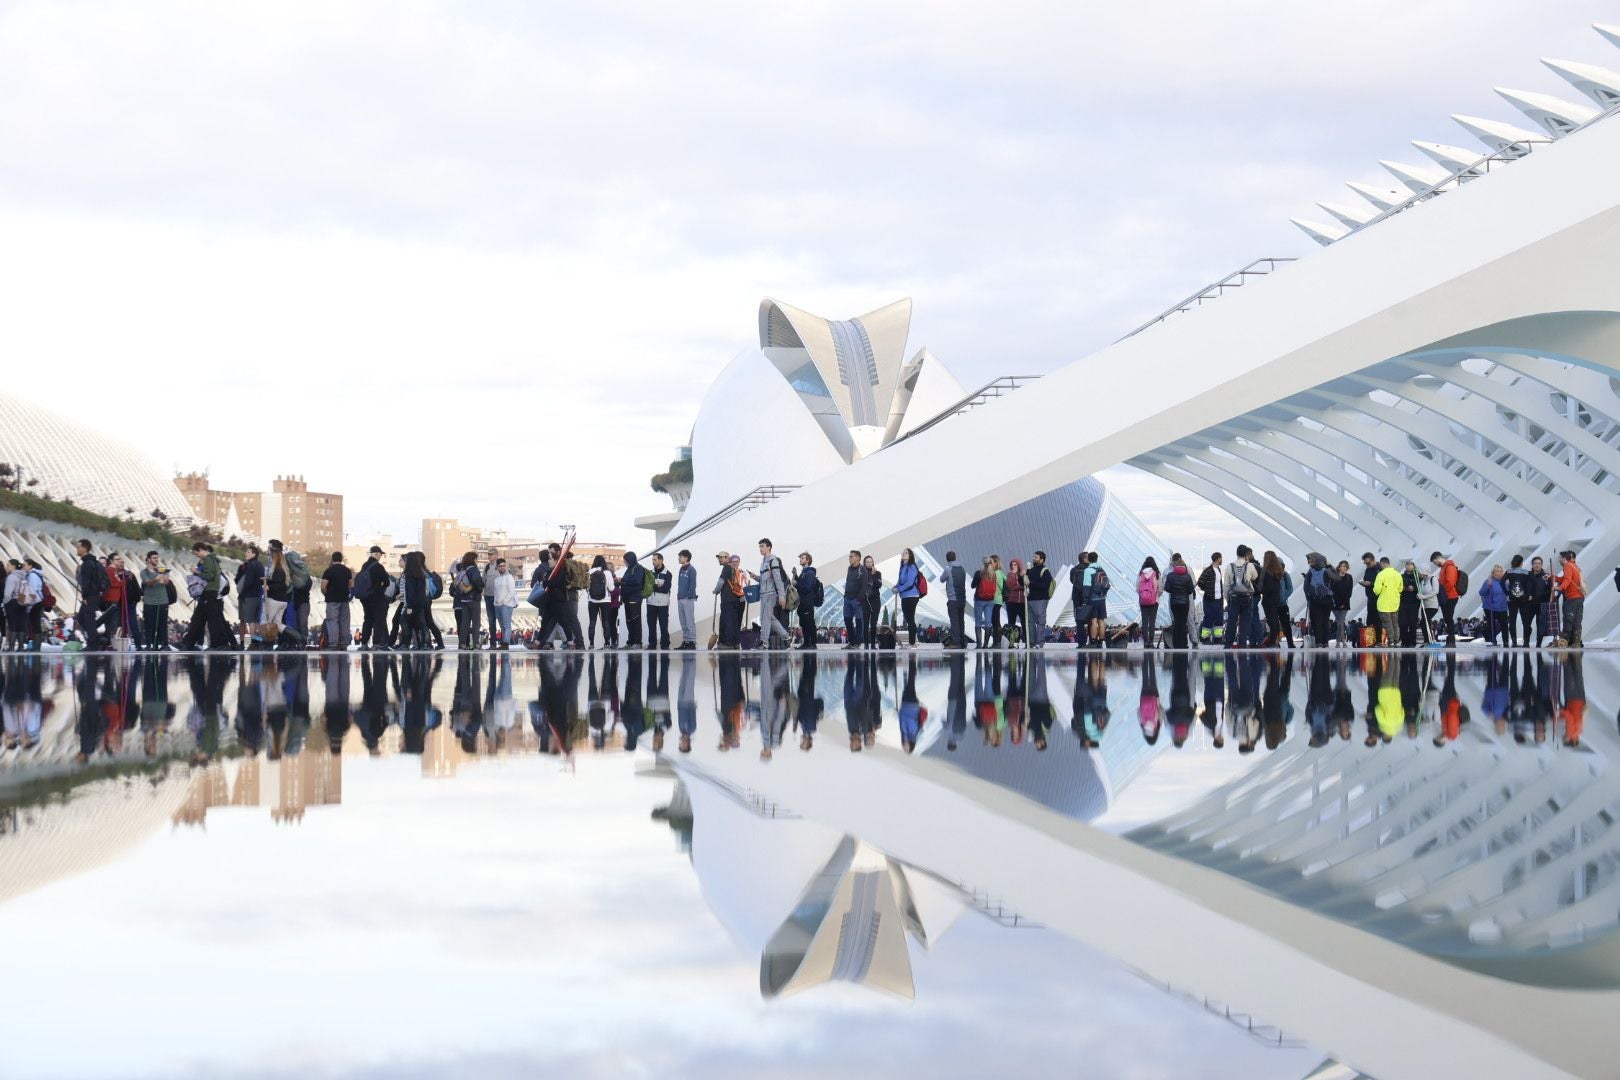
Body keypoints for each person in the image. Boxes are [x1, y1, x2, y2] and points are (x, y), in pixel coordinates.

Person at [74, 539, 109, 650]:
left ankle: (93, 643)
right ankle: (96, 639)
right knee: (82, 618)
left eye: (79, 547)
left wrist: (84, 596)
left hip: (90, 595)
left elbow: (87, 581)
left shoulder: (87, 563)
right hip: (93, 594)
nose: (77, 549)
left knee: (88, 619)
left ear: (84, 548)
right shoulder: (93, 562)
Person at [355, 545, 393, 650]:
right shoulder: (378, 567)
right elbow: (387, 582)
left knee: (367, 619)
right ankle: (376, 644)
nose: (381, 557)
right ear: (376, 554)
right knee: (378, 620)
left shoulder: (364, 566)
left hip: (365, 598)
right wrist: (381, 584)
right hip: (376, 597)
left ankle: (364, 644)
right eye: (380, 554)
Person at [756, 539, 791, 650]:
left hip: (770, 594)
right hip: (763, 594)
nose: (760, 549)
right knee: (769, 618)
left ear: (769, 547)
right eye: (760, 546)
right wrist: (756, 577)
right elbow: (764, 579)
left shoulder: (773, 561)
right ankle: (786, 637)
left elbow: (778, 579)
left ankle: (764, 642)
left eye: (762, 546)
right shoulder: (764, 562)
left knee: (765, 618)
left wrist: (781, 596)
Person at [1223, 546, 1258, 649]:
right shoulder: (1250, 565)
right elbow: (1255, 576)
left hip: (1234, 598)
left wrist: (1227, 599)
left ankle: (1228, 644)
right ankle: (1242, 644)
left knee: (1231, 621)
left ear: (1237, 553)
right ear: (1246, 554)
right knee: (1244, 622)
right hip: (1247, 598)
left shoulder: (1229, 566)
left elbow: (1226, 586)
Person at [138, 551, 172, 652]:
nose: (156, 560)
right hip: (149, 601)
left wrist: (161, 577)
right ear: (148, 559)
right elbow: (148, 583)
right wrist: (157, 579)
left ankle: (164, 645)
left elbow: (166, 581)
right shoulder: (144, 572)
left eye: (157, 558)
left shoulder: (162, 569)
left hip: (162, 600)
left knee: (163, 624)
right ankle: (149, 644)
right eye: (154, 558)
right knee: (149, 624)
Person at [1161, 553, 1195, 649]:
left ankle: (1176, 643)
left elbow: (1166, 588)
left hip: (1174, 602)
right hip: (1185, 602)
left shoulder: (1170, 575)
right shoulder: (1187, 575)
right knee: (1183, 623)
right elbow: (1190, 589)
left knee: (1176, 622)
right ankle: (1184, 644)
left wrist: (1174, 590)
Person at [397, 551, 430, 649]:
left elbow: (411, 592)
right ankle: (424, 644)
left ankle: (405, 644)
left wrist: (409, 606)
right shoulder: (421, 575)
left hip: (412, 604)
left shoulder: (409, 575)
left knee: (404, 621)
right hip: (420, 603)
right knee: (420, 623)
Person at [1301, 554, 1336, 647]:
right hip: (1326, 599)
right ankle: (1325, 642)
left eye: (1310, 561)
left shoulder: (1311, 571)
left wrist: (1310, 595)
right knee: (1324, 621)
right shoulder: (1327, 570)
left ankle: (1319, 642)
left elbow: (1306, 587)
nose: (1309, 563)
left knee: (1318, 621)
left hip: (1316, 600)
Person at [320, 552, 353, 650]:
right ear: (341, 559)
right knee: (344, 621)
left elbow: (323, 586)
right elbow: (350, 584)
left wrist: (326, 594)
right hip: (344, 599)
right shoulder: (347, 571)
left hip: (332, 600)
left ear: (332, 559)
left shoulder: (329, 571)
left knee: (332, 621)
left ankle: (333, 643)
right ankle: (344, 643)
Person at [452, 552, 484, 650]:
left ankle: (462, 644)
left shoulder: (463, 570)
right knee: (476, 623)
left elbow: (456, 586)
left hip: (464, 600)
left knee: (464, 623)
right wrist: (479, 589)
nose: (477, 561)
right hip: (473, 599)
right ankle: (475, 644)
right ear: (473, 559)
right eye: (476, 559)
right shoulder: (473, 570)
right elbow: (477, 582)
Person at [235, 544, 266, 645]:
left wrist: (242, 589)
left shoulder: (248, 565)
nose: (246, 553)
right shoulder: (261, 565)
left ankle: (245, 642)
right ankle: (257, 641)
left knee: (245, 620)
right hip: (257, 595)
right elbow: (262, 581)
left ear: (254, 554)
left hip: (247, 596)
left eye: (248, 552)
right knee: (255, 620)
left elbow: (245, 581)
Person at [937, 550, 967, 648]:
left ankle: (955, 643)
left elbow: (941, 580)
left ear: (947, 559)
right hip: (962, 599)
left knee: (954, 621)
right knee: (961, 620)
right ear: (955, 557)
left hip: (953, 599)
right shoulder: (962, 569)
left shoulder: (948, 569)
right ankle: (963, 642)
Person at [1259, 551, 1289, 648]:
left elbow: (1261, 587)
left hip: (1267, 599)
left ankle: (1272, 641)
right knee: (1275, 620)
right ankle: (1275, 640)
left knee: (1271, 621)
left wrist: (1254, 586)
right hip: (1276, 598)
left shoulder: (1265, 570)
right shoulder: (1279, 571)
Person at [485, 557, 517, 649]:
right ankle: (504, 643)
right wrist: (496, 603)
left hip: (506, 605)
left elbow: (511, 592)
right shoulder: (497, 579)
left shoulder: (509, 577)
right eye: (500, 566)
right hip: (497, 605)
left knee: (507, 625)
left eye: (504, 566)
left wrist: (504, 601)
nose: (502, 568)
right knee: (502, 625)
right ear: (497, 568)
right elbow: (496, 592)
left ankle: (506, 643)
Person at [1555, 549, 1584, 647]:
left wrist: (1559, 587)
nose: (1558, 560)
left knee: (1568, 619)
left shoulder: (1567, 566)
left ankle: (1566, 641)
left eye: (1559, 558)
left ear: (1564, 558)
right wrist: (1553, 577)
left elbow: (1567, 580)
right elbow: (1565, 579)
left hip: (1572, 597)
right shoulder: (1575, 566)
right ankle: (1576, 642)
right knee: (1577, 619)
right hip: (1579, 597)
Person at [894, 548, 923, 646]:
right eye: (903, 552)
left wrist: (899, 589)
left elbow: (910, 583)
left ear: (910, 556)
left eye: (906, 553)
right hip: (905, 596)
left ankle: (912, 642)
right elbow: (900, 581)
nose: (903, 554)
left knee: (910, 619)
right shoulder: (902, 566)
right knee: (908, 618)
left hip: (912, 595)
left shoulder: (911, 566)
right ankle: (912, 642)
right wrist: (895, 586)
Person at [1504, 554, 1534, 648]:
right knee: (1526, 622)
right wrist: (1529, 594)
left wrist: (1507, 592)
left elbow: (1502, 582)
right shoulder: (1527, 572)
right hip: (1524, 599)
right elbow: (1532, 584)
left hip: (1512, 599)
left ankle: (1514, 643)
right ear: (1521, 563)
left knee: (1512, 621)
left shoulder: (1509, 572)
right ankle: (1526, 643)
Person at [1431, 551, 1461, 647]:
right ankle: (1450, 640)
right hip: (1446, 596)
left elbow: (1450, 583)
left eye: (1435, 563)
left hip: (1450, 596)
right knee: (1447, 618)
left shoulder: (1449, 567)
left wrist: (1442, 592)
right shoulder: (1444, 568)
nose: (1436, 565)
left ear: (1437, 558)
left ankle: (1451, 641)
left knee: (1449, 618)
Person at [587, 555, 617, 647]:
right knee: (606, 622)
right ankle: (607, 643)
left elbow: (587, 588)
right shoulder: (607, 573)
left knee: (592, 622)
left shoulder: (589, 572)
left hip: (592, 601)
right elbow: (611, 589)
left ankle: (591, 644)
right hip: (605, 601)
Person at [1372, 557, 1403, 646]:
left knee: (1387, 623)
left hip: (1384, 603)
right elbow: (1400, 589)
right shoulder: (1398, 574)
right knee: (1395, 623)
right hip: (1395, 603)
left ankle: (1391, 641)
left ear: (1382, 564)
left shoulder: (1381, 575)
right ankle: (1397, 641)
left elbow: (1377, 590)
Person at [715, 550, 743, 649]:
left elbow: (720, 582)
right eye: (719, 557)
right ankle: (735, 643)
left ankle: (727, 644)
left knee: (727, 622)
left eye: (722, 557)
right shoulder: (733, 569)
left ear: (728, 558)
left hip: (727, 600)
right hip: (736, 599)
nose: (720, 559)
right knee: (734, 622)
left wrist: (716, 591)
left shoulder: (726, 568)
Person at [792, 552, 819, 650]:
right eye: (800, 558)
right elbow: (800, 584)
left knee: (809, 623)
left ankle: (812, 644)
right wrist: (795, 575)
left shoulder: (810, 573)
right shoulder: (804, 572)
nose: (800, 559)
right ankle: (806, 643)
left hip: (807, 602)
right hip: (802, 602)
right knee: (803, 623)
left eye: (803, 558)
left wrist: (796, 584)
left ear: (808, 560)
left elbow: (807, 588)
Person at [842, 550, 869, 649]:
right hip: (847, 599)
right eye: (849, 556)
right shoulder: (849, 569)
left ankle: (857, 643)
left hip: (856, 600)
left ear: (858, 558)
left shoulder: (862, 570)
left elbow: (864, 586)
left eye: (851, 556)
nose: (850, 558)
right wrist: (845, 595)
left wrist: (859, 599)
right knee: (847, 620)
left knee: (859, 621)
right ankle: (851, 642)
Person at [619, 551, 646, 648]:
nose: (624, 562)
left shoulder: (638, 568)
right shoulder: (629, 569)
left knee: (635, 620)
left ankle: (637, 642)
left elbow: (637, 581)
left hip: (635, 598)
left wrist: (622, 580)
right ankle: (630, 642)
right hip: (627, 599)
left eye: (625, 560)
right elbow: (626, 583)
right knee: (629, 621)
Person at [1027, 551, 1053, 647]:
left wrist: (1030, 583)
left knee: (1040, 622)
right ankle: (1032, 642)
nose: (1034, 558)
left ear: (1042, 560)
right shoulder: (1031, 570)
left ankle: (1039, 642)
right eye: (1034, 557)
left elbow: (1045, 586)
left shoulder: (1045, 571)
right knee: (1031, 622)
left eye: (1036, 557)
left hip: (1040, 599)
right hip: (1031, 599)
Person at [1197, 552, 1224, 646]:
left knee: (1219, 618)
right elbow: (1200, 583)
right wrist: (1208, 590)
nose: (1222, 560)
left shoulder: (1219, 570)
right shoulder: (1208, 570)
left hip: (1219, 598)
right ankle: (1205, 638)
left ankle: (1218, 638)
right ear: (1217, 559)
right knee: (1209, 618)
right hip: (1210, 599)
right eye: (1221, 558)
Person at [648, 552, 673, 649]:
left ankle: (665, 644)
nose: (653, 562)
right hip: (651, 603)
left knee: (663, 625)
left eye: (655, 560)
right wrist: (657, 586)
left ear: (661, 560)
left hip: (663, 604)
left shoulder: (668, 574)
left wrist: (654, 587)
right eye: (652, 560)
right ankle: (652, 644)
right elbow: (647, 588)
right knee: (651, 625)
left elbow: (665, 589)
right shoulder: (650, 573)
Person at [1479, 565, 1509, 645]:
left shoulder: (1505, 583)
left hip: (1502, 607)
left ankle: (1505, 641)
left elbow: (1509, 593)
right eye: (1497, 571)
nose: (1499, 573)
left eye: (1500, 571)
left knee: (1504, 625)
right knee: (1492, 625)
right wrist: (1487, 586)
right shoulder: (1488, 581)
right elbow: (1481, 593)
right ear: (1493, 573)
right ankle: (1493, 640)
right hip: (1490, 607)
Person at [1136, 557, 1161, 648]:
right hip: (1154, 601)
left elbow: (1137, 588)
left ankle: (1145, 642)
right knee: (1152, 622)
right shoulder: (1156, 574)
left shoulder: (1141, 574)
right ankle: (1151, 642)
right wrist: (1156, 596)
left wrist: (1143, 596)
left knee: (1144, 621)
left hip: (1143, 601)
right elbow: (1160, 588)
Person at [676, 549, 698, 650]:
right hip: (680, 598)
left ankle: (692, 641)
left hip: (688, 599)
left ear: (686, 558)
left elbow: (693, 585)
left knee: (689, 620)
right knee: (683, 621)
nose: (679, 558)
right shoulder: (681, 568)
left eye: (680, 557)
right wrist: (679, 595)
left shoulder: (692, 570)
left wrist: (689, 596)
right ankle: (685, 641)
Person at [974, 556, 998, 649]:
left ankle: (979, 644)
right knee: (988, 622)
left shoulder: (979, 573)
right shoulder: (993, 574)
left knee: (978, 622)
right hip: (990, 600)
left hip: (979, 600)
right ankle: (986, 645)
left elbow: (973, 585)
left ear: (982, 563)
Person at [1529, 556, 1553, 647]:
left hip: (1542, 604)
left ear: (1541, 565)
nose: (1537, 565)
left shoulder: (1546, 576)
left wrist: (1550, 582)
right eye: (1535, 563)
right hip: (1529, 604)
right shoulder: (1528, 575)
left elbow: (1551, 589)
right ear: (1532, 565)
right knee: (1527, 625)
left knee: (1541, 625)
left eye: (1539, 563)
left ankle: (1538, 644)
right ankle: (1526, 643)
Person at [1084, 553, 1107, 647]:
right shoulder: (1102, 570)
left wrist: (1085, 600)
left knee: (1093, 620)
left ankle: (1093, 641)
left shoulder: (1088, 570)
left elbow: (1086, 586)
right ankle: (1101, 642)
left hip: (1092, 598)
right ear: (1097, 559)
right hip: (1102, 598)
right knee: (1101, 621)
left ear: (1089, 559)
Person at [1004, 557, 1028, 647]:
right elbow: (1009, 585)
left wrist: (1017, 586)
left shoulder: (1023, 575)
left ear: (1019, 565)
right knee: (1011, 622)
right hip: (1012, 602)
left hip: (1022, 602)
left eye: (1015, 564)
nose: (1013, 566)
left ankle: (1026, 641)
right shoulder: (1010, 574)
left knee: (1024, 622)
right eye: (1012, 565)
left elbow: (1026, 585)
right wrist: (1012, 575)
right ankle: (1011, 642)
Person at [1399, 559, 1423, 648]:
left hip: (1414, 603)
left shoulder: (1417, 577)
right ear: (1405, 566)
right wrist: (1406, 588)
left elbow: (1421, 587)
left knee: (1413, 623)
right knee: (1403, 623)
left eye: (1411, 564)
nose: (1409, 566)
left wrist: (1414, 588)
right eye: (1407, 565)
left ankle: (1413, 641)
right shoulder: (1401, 576)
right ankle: (1404, 641)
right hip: (1403, 603)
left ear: (1414, 566)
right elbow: (1399, 587)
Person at [862, 555, 883, 649]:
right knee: (865, 623)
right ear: (864, 563)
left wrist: (873, 575)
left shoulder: (878, 573)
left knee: (873, 623)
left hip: (875, 600)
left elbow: (878, 585)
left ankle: (873, 644)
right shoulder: (861, 573)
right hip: (865, 600)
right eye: (867, 562)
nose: (869, 563)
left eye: (871, 561)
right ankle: (866, 644)